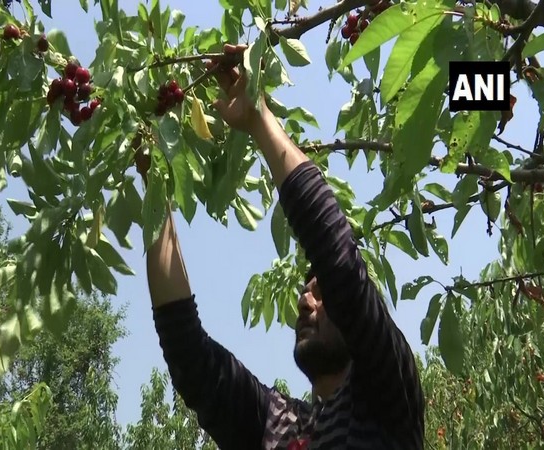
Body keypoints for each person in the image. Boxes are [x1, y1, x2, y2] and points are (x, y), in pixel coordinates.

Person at [145, 44, 424, 449]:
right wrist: (154, 181)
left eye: (322, 295)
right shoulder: (277, 425)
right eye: (306, 293)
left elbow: (340, 264)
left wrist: (259, 118)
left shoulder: (387, 396)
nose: (305, 303)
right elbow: (189, 354)